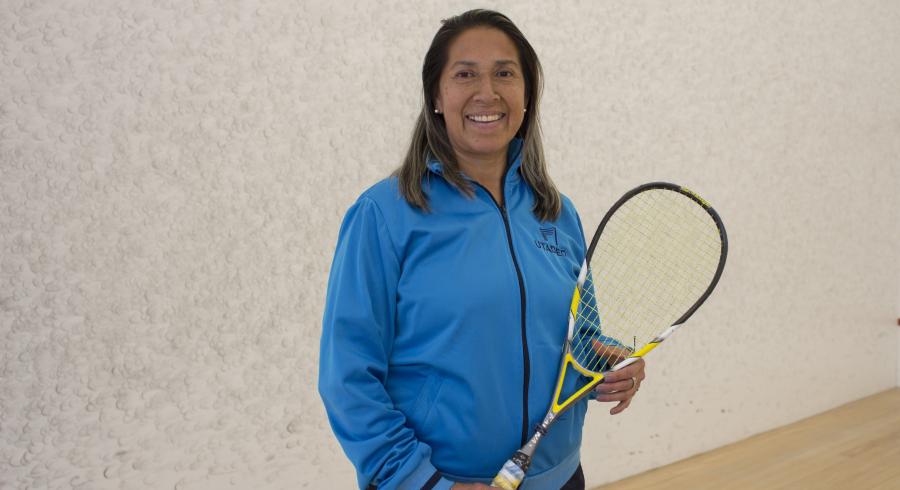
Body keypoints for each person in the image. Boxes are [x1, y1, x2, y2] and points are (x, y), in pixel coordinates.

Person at [319, 9, 646, 490]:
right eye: (465, 74)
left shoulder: (558, 214)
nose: (487, 92)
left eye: (505, 74)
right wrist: (422, 481)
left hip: (558, 477)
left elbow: (578, 340)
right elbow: (347, 378)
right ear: (436, 96)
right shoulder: (384, 215)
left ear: (527, 95)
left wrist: (607, 367)